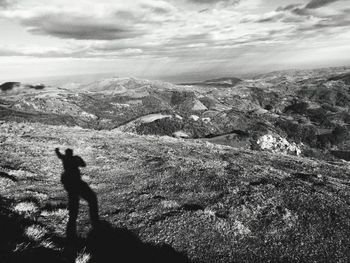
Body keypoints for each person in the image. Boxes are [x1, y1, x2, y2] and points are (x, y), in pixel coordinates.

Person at [55, 148, 99, 241]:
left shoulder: (65, 158)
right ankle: (95, 222)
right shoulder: (72, 159)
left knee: (74, 208)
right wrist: (78, 159)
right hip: (75, 184)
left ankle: (71, 233)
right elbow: (83, 164)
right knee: (90, 199)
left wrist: (57, 151)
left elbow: (59, 155)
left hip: (72, 184)